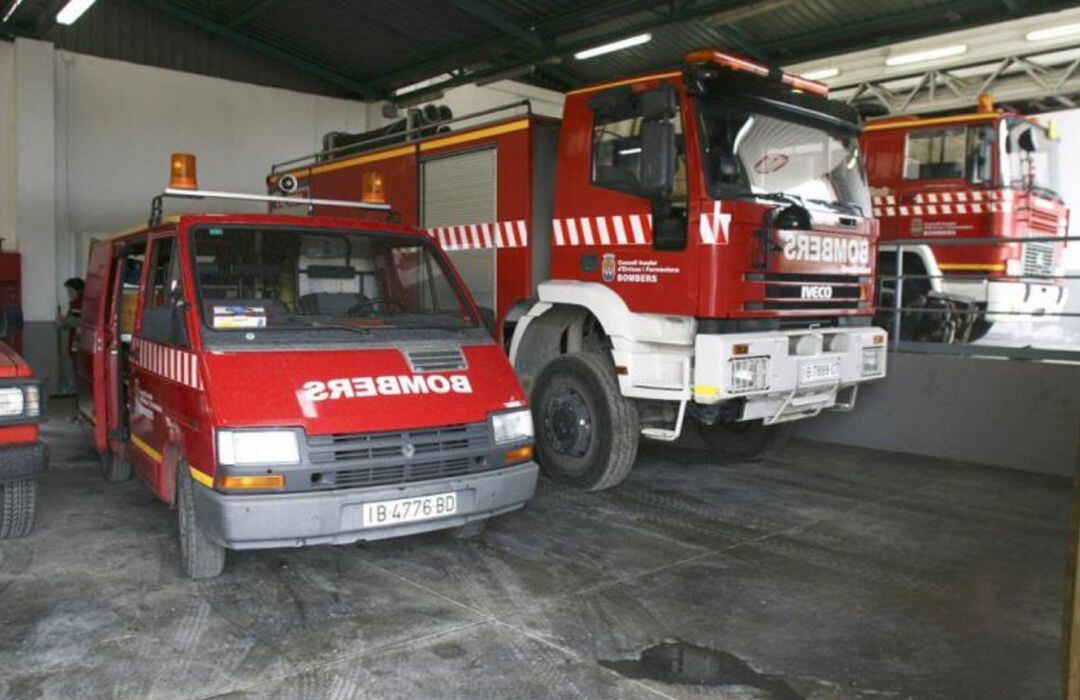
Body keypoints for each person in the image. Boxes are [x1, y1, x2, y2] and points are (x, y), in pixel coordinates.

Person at [57, 278, 84, 394]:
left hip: (81, 344)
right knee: (75, 369)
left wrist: (65, 320)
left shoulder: (82, 304)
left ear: (79, 291)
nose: (69, 295)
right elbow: (69, 324)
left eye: (71, 292)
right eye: (68, 292)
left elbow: (81, 322)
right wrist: (63, 323)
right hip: (74, 343)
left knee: (79, 370)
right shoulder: (73, 305)